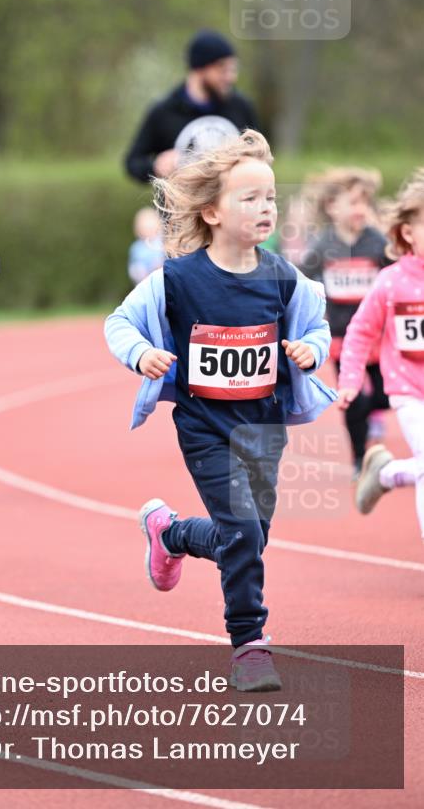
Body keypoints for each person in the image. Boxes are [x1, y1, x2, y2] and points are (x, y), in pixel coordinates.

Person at [105, 133, 334, 691]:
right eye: (249, 198)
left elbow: (317, 325)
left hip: (263, 427)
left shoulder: (283, 277)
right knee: (242, 530)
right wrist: (141, 354)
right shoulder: (177, 279)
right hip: (204, 426)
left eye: (271, 197)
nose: (265, 208)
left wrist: (311, 350)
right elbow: (120, 322)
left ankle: (172, 534)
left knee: (248, 536)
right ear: (211, 212)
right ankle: (249, 645)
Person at [338, 169, 424, 538]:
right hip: (409, 391)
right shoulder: (391, 282)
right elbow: (360, 331)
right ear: (408, 232)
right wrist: (351, 379)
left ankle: (387, 473)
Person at [299, 168, 391, 474]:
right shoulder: (323, 245)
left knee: (384, 395)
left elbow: (397, 273)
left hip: (378, 336)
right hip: (343, 337)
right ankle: (359, 458)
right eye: (353, 202)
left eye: (365, 202)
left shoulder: (376, 241)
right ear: (332, 207)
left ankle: (372, 412)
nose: (361, 209)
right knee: (352, 400)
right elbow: (302, 278)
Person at [124, 30, 259, 183]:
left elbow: (260, 156)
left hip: (231, 198)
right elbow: (133, 163)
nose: (231, 77)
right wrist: (156, 166)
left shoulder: (241, 107)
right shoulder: (164, 111)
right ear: (199, 69)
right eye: (222, 70)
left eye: (233, 69)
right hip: (180, 198)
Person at [128, 208, 165, 285]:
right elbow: (134, 268)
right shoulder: (136, 248)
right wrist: (141, 274)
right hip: (145, 281)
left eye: (150, 228)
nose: (147, 231)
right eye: (144, 228)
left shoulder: (163, 242)